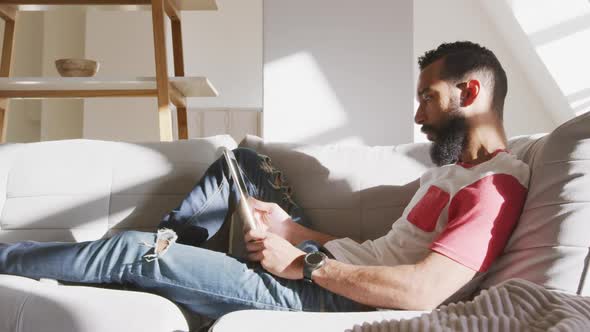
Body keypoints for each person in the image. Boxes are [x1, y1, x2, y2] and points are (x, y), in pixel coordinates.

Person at [0, 41, 529, 319]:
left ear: (469, 92)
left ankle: (150, 262)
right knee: (248, 165)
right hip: (334, 267)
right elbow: (386, 253)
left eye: (427, 98)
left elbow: (420, 291)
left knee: (132, 251)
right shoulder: (455, 171)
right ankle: (178, 264)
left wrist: (305, 264)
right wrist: (298, 234)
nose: (418, 117)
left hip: (327, 295)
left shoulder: (495, 187)